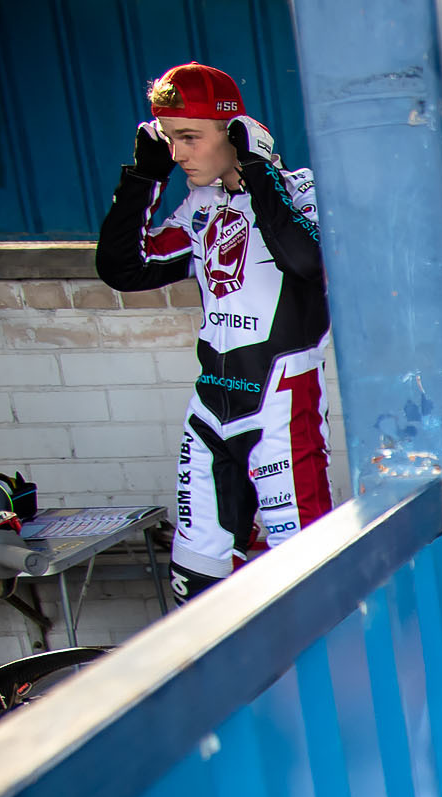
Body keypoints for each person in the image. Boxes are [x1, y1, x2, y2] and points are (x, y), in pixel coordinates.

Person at [96, 61, 331, 603]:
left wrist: (261, 170)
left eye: (189, 138)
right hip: (209, 410)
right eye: (169, 139)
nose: (178, 154)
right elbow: (124, 268)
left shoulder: (303, 189)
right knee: (196, 584)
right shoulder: (201, 204)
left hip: (280, 407)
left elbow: (308, 263)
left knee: (306, 579)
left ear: (235, 131)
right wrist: (143, 176)